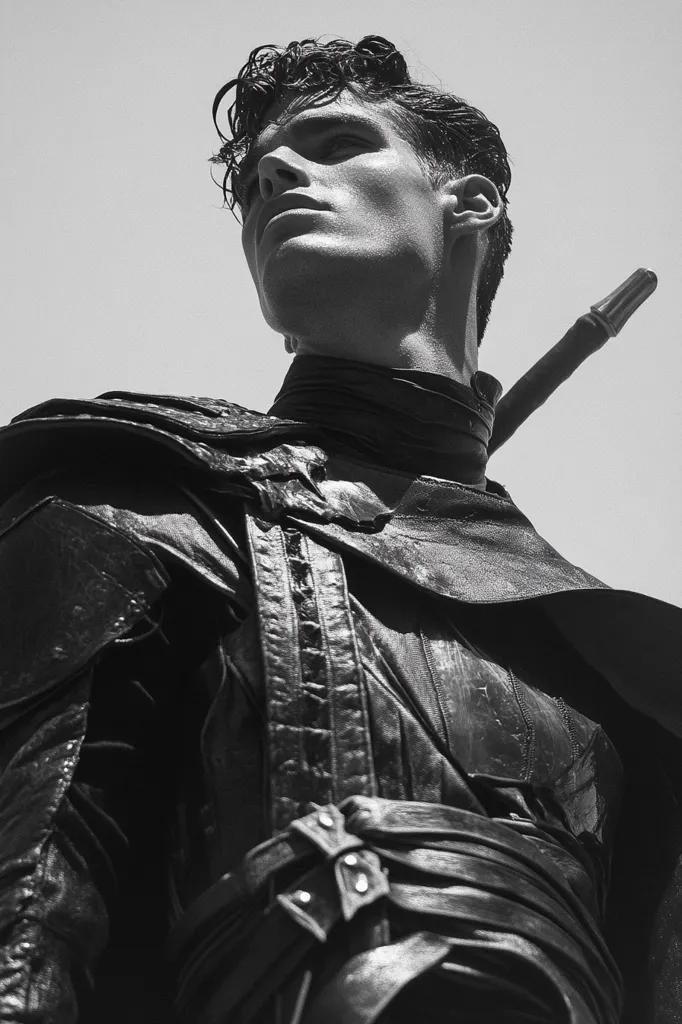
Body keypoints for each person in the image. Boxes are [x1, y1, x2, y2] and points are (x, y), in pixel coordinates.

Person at [0, 34, 680, 1024]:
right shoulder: (141, 502)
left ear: (471, 204)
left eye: (334, 143)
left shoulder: (622, 670)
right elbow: (25, 919)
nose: (275, 174)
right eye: (253, 179)